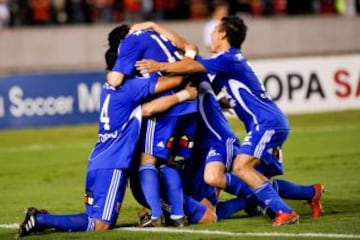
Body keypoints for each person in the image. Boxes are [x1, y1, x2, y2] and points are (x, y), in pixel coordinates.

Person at [135, 17, 325, 226]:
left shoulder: (226, 59)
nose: (212, 33)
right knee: (245, 176)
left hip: (262, 124)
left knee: (236, 171)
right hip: (258, 125)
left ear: (223, 34)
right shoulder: (224, 64)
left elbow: (188, 54)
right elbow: (207, 80)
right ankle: (308, 193)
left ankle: (283, 211)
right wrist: (224, 101)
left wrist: (157, 63)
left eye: (215, 29)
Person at [15, 26, 195, 238]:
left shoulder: (106, 90)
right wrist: (186, 81)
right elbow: (175, 80)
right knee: (100, 224)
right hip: (113, 165)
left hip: (98, 161)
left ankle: (44, 218)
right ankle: (40, 220)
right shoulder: (130, 88)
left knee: (93, 215)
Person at [107, 22, 199, 227]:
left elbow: (114, 80)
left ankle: (156, 216)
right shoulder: (159, 36)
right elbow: (190, 47)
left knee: (147, 162)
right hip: (190, 105)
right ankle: (178, 215)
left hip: (166, 106)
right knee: (169, 162)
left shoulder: (130, 42)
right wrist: (153, 24)